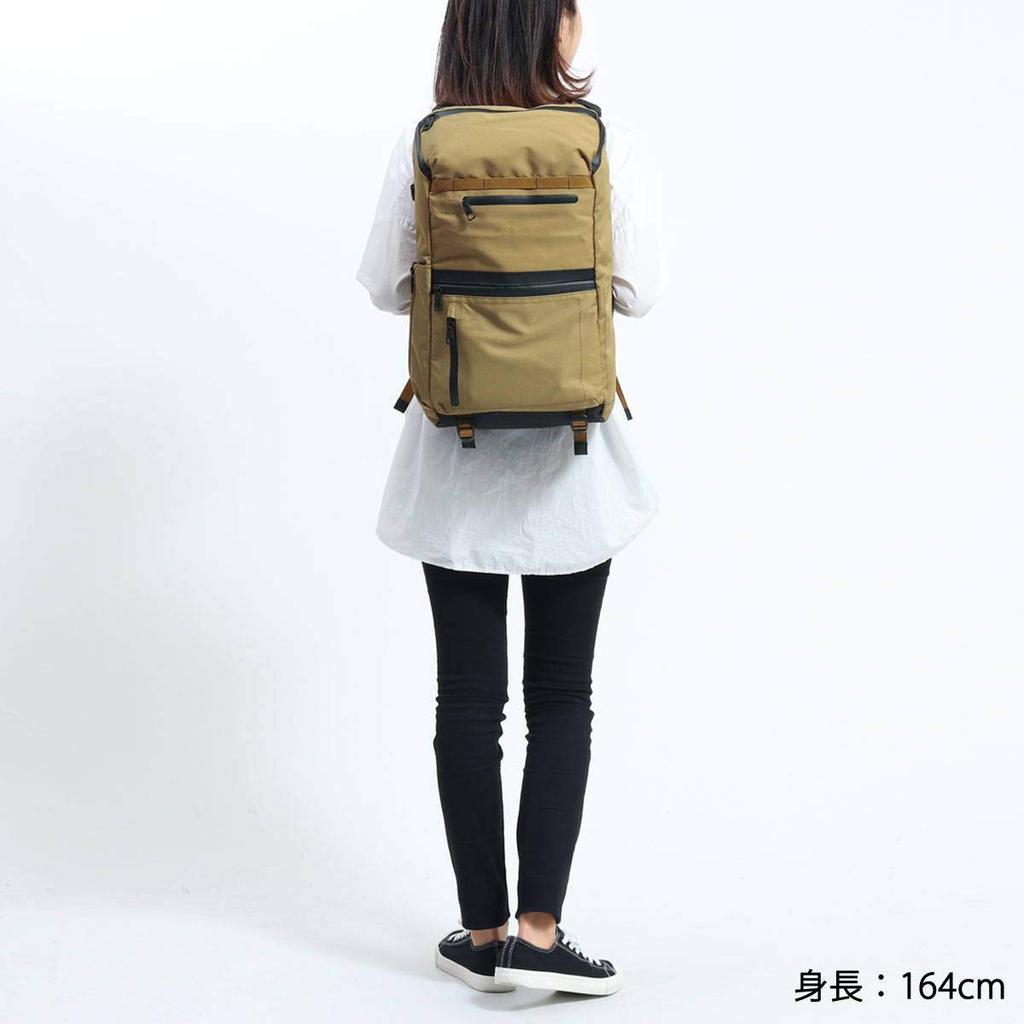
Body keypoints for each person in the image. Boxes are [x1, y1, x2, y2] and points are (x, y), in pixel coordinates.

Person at [357, 0, 663, 998]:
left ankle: (483, 932)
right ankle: (540, 933)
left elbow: (383, 286)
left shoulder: (426, 142)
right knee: (561, 697)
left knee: (467, 701)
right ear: (547, 29)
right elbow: (640, 290)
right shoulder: (600, 143)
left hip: (454, 463)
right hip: (574, 466)